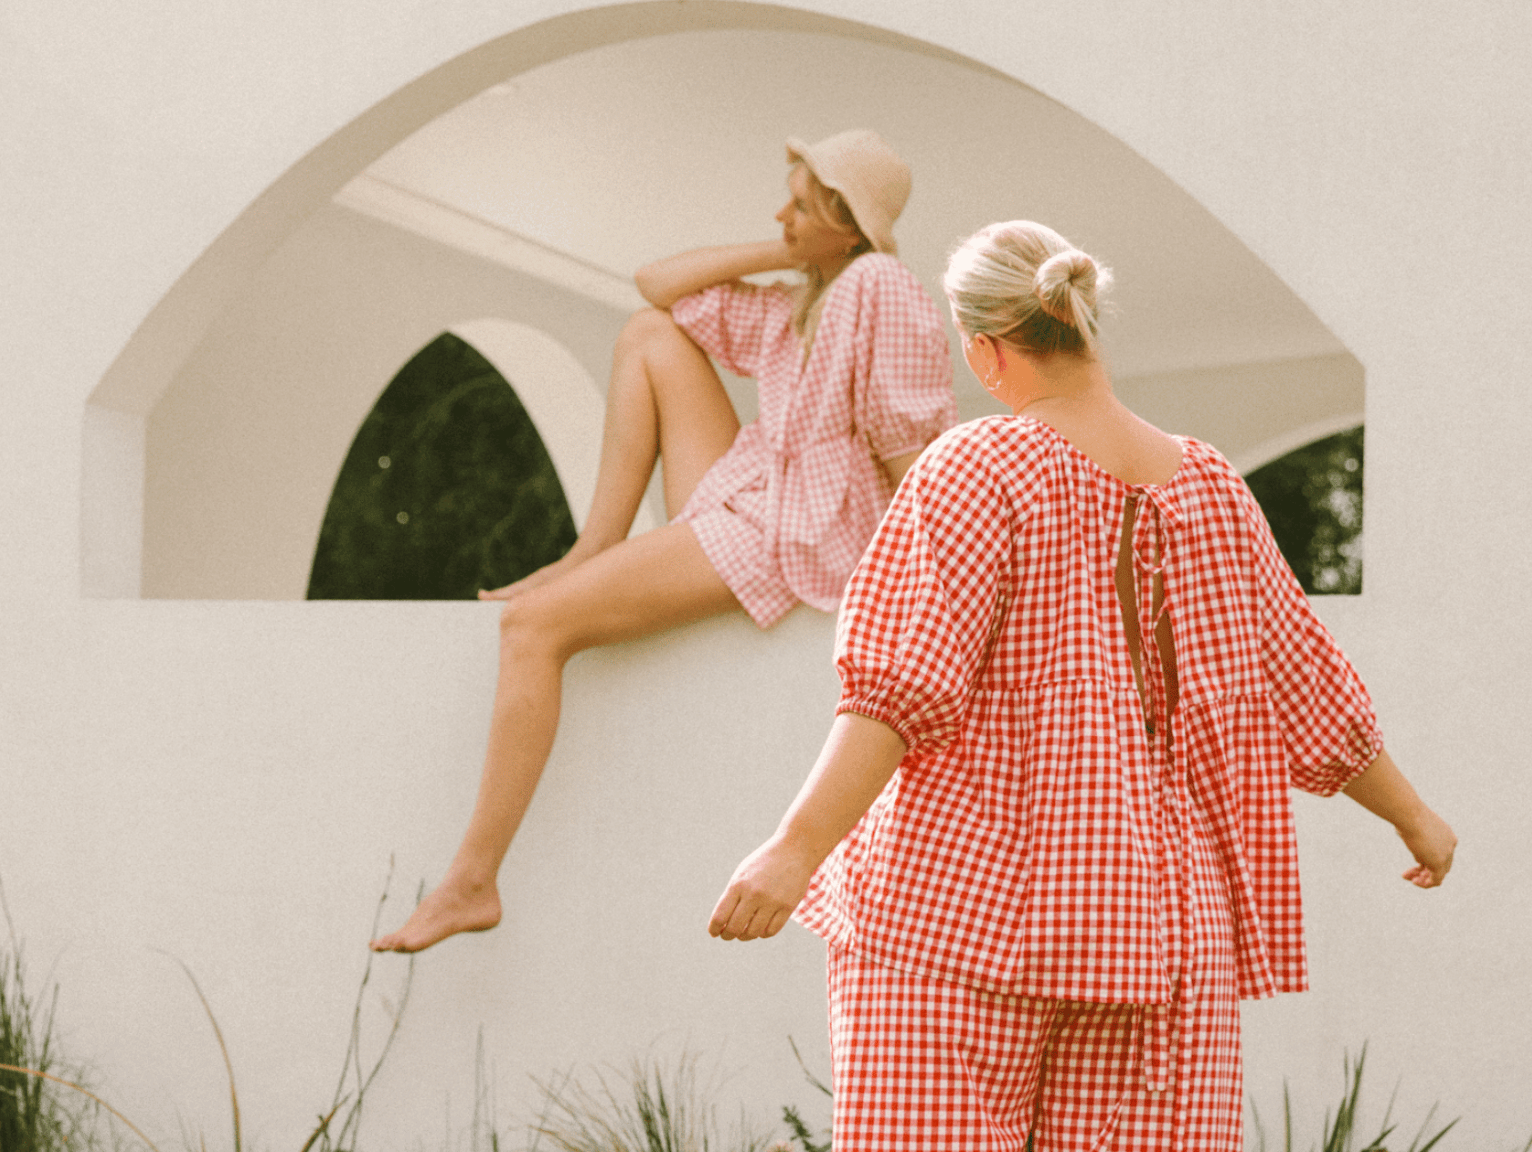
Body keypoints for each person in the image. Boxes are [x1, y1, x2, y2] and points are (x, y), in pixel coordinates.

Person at [707, 220, 1456, 1149]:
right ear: (1087, 325)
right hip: (1155, 918)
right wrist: (1413, 816)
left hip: (959, 908)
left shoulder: (973, 465)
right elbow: (1308, 691)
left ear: (986, 351)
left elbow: (900, 689)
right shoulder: (1215, 485)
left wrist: (794, 847)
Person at [370, 130, 957, 953]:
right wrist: (794, 250)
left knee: (533, 628)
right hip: (753, 488)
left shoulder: (881, 286)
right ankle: (588, 550)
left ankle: (472, 881)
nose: (778, 211)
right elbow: (657, 287)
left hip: (798, 526)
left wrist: (930, 583)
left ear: (847, 223)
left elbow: (912, 445)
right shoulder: (806, 298)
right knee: (649, 333)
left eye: (799, 202)